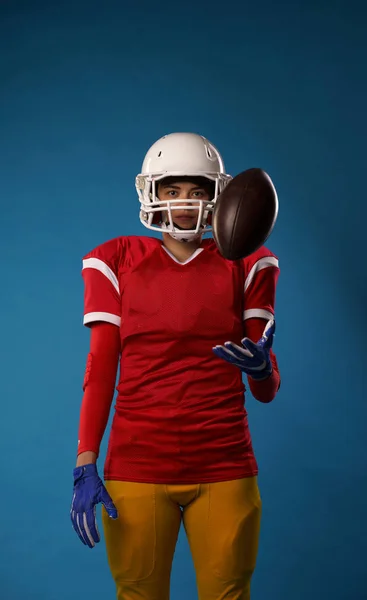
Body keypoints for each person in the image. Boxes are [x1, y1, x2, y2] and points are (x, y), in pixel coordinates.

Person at [70, 132, 281, 600]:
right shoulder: (115, 259)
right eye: (172, 190)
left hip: (224, 462)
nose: (184, 202)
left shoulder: (249, 262)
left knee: (229, 594)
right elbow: (102, 368)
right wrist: (86, 460)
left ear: (218, 197)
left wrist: (262, 369)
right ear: (152, 192)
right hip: (136, 464)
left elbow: (266, 391)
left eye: (197, 191)